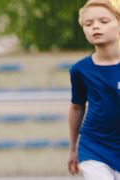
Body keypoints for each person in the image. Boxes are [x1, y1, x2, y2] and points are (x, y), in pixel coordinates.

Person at [68, 0, 120, 179]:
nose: (95, 27)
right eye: (88, 24)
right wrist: (73, 148)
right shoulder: (79, 69)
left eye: (104, 22)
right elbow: (77, 107)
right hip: (94, 146)